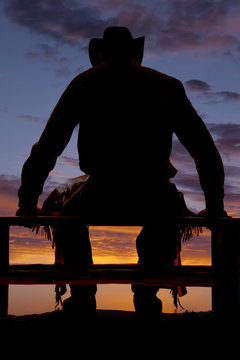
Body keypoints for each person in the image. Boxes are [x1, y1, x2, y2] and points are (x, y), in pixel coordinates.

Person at [17, 26, 226, 321]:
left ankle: (83, 298)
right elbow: (204, 149)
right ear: (134, 53)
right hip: (154, 192)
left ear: (101, 53)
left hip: (101, 190)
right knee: (164, 216)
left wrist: (27, 200)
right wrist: (214, 205)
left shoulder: (86, 82)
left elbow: (48, 146)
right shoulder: (167, 85)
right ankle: (146, 297)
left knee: (67, 218)